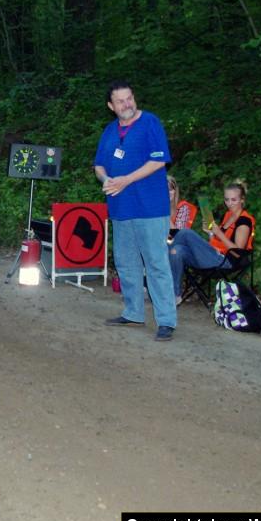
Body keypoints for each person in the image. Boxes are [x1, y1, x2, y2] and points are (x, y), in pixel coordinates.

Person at [94, 80, 177, 341]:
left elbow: (159, 160)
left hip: (150, 207)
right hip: (120, 208)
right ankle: (133, 312)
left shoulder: (150, 122)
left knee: (156, 263)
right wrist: (106, 180)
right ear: (111, 106)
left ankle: (166, 320)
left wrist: (125, 180)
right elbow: (98, 165)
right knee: (126, 262)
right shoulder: (109, 131)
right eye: (120, 101)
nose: (127, 104)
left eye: (129, 98)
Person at [168, 181, 254, 304]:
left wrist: (218, 232)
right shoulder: (228, 215)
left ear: (242, 200)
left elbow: (237, 250)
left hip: (226, 261)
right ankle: (175, 295)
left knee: (186, 233)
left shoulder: (244, 221)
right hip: (212, 256)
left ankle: (161, 254)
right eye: (227, 200)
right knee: (177, 250)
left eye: (234, 200)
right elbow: (219, 242)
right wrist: (211, 233)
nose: (229, 203)